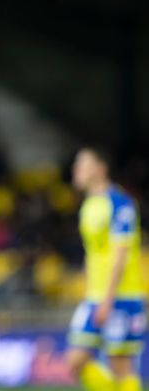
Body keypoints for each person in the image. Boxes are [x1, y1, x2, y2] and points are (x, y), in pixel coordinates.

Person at [66, 147, 145, 391]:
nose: (76, 169)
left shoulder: (120, 204)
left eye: (83, 164)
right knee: (74, 362)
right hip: (95, 296)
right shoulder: (89, 205)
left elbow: (120, 256)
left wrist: (107, 299)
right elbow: (94, 254)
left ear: (100, 169)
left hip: (121, 296)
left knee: (121, 366)